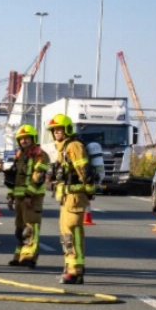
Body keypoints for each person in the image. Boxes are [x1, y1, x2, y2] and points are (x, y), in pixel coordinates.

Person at [47, 113, 97, 284]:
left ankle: (76, 271)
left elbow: (85, 172)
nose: (56, 133)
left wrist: (89, 191)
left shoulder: (74, 146)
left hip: (75, 197)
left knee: (73, 233)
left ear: (67, 129)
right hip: (67, 198)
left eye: (59, 129)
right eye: (54, 130)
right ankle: (70, 268)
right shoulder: (63, 148)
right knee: (66, 234)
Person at [6, 124, 48, 268]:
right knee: (19, 229)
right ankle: (18, 257)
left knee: (30, 228)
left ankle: (29, 257)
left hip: (33, 198)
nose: (24, 141)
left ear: (33, 139)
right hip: (19, 198)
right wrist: (11, 195)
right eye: (21, 139)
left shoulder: (40, 155)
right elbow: (15, 178)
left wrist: (29, 195)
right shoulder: (20, 155)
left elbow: (38, 177)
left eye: (27, 139)